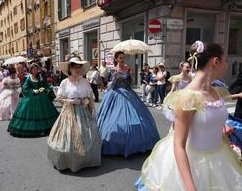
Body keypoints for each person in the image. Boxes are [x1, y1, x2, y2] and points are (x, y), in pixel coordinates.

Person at [135, 41, 242, 190]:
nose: (226, 65)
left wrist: (221, 126)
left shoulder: (217, 91)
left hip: (219, 157)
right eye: (225, 61)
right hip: (192, 165)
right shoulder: (188, 98)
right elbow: (178, 144)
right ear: (216, 62)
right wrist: (190, 187)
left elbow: (209, 118)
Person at [97, 51, 160, 157]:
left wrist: (131, 76)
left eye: (123, 57)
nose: (122, 59)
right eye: (120, 58)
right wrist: (114, 79)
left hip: (128, 93)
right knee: (114, 118)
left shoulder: (128, 68)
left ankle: (138, 142)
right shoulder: (112, 70)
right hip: (116, 94)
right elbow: (110, 85)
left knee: (138, 117)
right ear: (116, 59)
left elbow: (130, 84)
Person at [47, 56, 101, 172]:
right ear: (69, 69)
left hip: (83, 112)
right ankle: (70, 160)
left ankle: (87, 160)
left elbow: (89, 96)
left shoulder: (84, 81)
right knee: (69, 137)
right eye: (75, 67)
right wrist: (71, 101)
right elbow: (60, 98)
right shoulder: (65, 83)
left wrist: (88, 105)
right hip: (69, 112)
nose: (77, 69)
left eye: (79, 67)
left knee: (89, 135)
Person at [8, 63, 58, 137]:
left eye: (36, 69)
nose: (35, 70)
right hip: (32, 96)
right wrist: (33, 91)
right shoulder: (28, 77)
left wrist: (44, 88)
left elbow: (44, 84)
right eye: (34, 69)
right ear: (31, 70)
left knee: (44, 111)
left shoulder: (40, 76)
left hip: (41, 96)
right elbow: (25, 88)